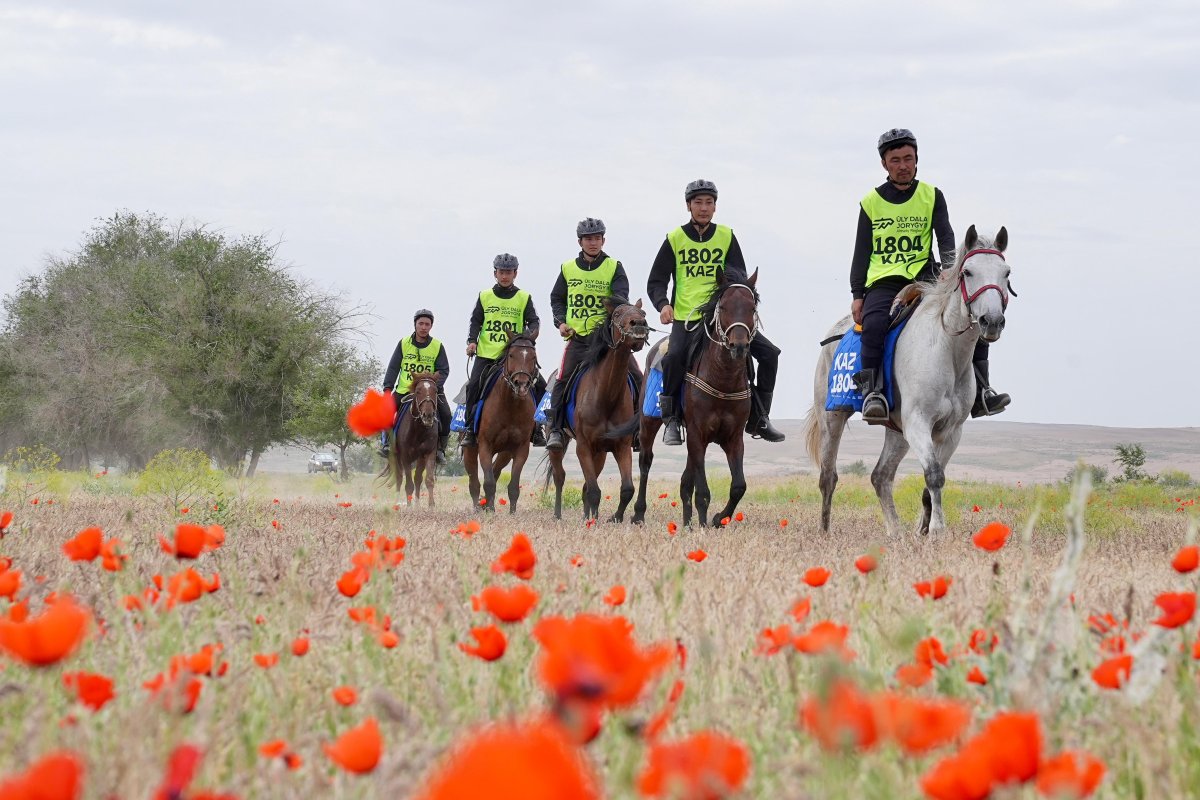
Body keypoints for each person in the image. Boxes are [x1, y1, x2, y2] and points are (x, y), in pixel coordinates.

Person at [849, 128, 1010, 423]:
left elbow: (945, 235)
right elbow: (861, 252)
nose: (903, 165)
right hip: (885, 279)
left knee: (971, 315)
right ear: (884, 164)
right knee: (873, 325)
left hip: (926, 276)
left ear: (916, 159)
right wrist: (857, 294)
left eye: (908, 158)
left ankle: (982, 391)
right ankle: (872, 392)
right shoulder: (870, 202)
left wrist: (949, 266)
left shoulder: (932, 196)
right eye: (895, 160)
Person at [647, 179, 785, 446]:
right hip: (688, 318)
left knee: (770, 354)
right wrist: (663, 304)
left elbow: (739, 277)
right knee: (673, 357)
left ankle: (760, 417)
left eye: (709, 203)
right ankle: (672, 419)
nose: (703, 208)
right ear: (688, 206)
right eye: (698, 202)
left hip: (724, 317)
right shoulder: (675, 239)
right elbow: (656, 280)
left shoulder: (726, 236)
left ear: (715, 207)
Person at [545, 217, 640, 452]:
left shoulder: (614, 267)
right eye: (588, 239)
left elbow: (620, 299)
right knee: (562, 379)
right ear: (580, 242)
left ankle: (638, 429)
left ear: (603, 240)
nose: (593, 242)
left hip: (607, 340)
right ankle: (555, 429)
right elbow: (557, 299)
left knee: (637, 376)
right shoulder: (567, 268)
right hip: (578, 338)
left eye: (597, 238)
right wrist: (561, 322)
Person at [462, 253, 543, 448]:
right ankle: (470, 429)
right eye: (501, 272)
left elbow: (534, 321)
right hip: (488, 354)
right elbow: (476, 321)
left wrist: (527, 337)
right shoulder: (485, 296)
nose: (505, 276)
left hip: (514, 355)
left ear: (515, 274)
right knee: (473, 386)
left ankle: (538, 429)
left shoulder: (524, 297)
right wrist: (472, 341)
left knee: (540, 385)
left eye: (508, 272)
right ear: (495, 273)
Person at [380, 308, 452, 462]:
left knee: (446, 414)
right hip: (405, 389)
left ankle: (440, 449)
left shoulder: (437, 346)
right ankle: (386, 444)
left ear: (431, 326)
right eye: (421, 323)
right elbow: (393, 367)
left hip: (429, 391)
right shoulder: (403, 343)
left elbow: (444, 370)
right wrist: (387, 388)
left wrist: (434, 386)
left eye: (427, 324)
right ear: (415, 324)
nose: (424, 327)